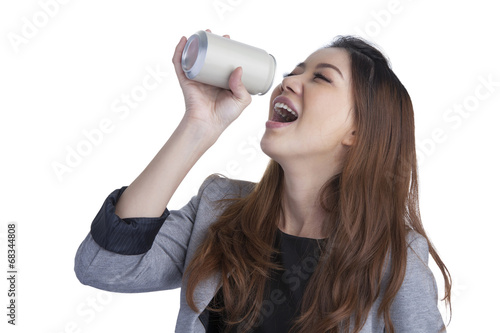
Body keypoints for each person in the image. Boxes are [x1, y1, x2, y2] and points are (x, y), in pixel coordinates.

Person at [74, 30, 452, 333]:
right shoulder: (218, 207)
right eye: (293, 71)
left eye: (320, 77)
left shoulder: (394, 256)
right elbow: (103, 267)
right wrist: (198, 127)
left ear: (357, 130)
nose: (288, 81)